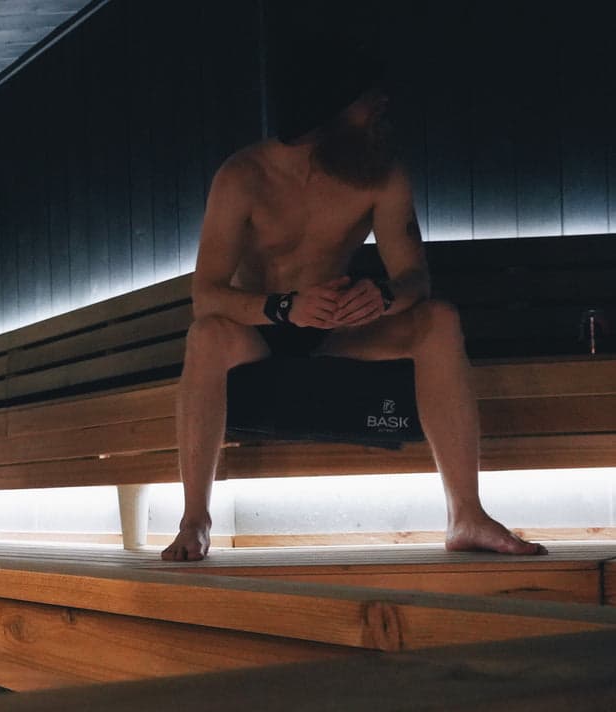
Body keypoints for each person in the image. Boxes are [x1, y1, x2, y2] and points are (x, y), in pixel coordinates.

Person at [161, 46, 545, 562]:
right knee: (205, 335)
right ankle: (195, 519)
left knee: (439, 320)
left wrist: (383, 296)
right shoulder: (243, 177)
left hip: (338, 326)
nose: (382, 110)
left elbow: (415, 279)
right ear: (330, 109)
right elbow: (206, 294)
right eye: (369, 103)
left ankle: (466, 515)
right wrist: (284, 307)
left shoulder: (380, 175)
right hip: (260, 328)